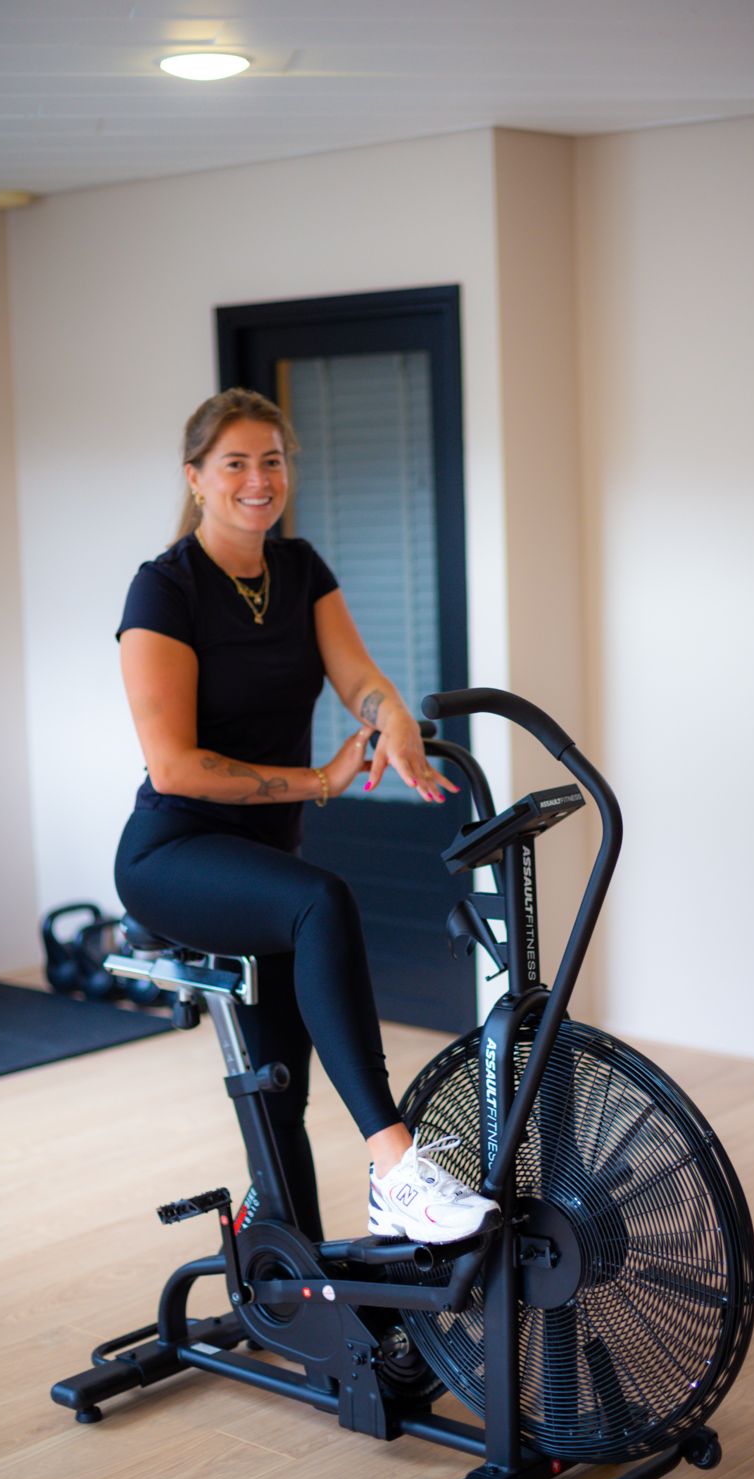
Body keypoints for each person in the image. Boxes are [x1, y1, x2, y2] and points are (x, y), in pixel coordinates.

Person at [114, 387, 498, 1247]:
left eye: (272, 461)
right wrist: (321, 781)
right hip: (174, 852)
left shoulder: (299, 570)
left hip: (265, 866)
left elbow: (355, 675)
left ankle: (300, 1281)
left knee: (278, 1088)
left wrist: (390, 718)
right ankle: (395, 1167)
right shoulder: (164, 591)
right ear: (196, 477)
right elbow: (175, 766)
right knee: (321, 900)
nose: (259, 480)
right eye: (235, 463)